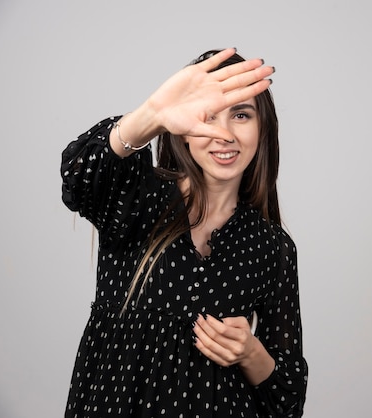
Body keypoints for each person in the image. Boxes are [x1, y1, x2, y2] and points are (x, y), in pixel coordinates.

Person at [60, 47, 308, 417]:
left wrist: (251, 353)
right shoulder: (138, 195)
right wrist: (152, 115)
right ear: (183, 132)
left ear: (263, 128)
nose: (223, 134)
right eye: (207, 116)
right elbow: (78, 175)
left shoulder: (273, 247)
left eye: (241, 114)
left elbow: (287, 401)